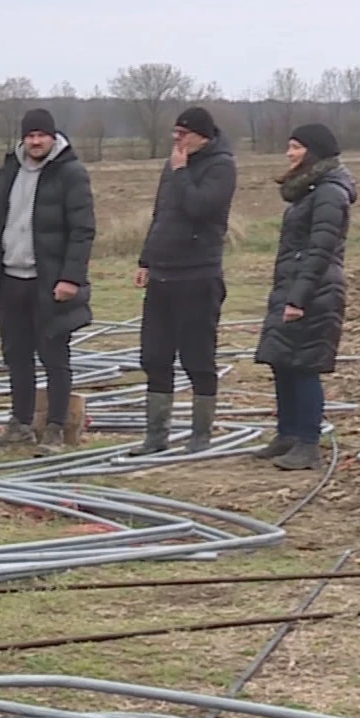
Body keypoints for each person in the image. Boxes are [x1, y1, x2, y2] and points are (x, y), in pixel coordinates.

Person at [0, 108, 97, 455]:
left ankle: (55, 428)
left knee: (54, 356)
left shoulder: (70, 173)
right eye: (30, 135)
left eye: (42, 135)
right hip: (11, 280)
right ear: (23, 138)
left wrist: (70, 277)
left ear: (53, 137)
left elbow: (82, 230)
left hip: (50, 283)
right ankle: (20, 424)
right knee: (16, 356)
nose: (36, 141)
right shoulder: (10, 169)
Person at [133, 106, 237, 456]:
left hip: (198, 275)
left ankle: (200, 436)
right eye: (174, 133)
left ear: (202, 136)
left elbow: (199, 207)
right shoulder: (174, 164)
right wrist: (146, 259)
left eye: (183, 134)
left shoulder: (221, 167)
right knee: (154, 356)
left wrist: (180, 173)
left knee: (197, 357)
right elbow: (162, 214)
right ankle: (155, 436)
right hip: (163, 275)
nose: (176, 140)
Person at [255, 123, 356, 471]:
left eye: (296, 147)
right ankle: (287, 434)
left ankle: (308, 444)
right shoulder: (309, 190)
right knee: (282, 360)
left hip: (315, 289)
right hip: (294, 283)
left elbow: (320, 249)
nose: (289, 153)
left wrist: (299, 297)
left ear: (313, 151)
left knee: (304, 366)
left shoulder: (329, 193)